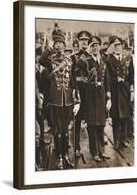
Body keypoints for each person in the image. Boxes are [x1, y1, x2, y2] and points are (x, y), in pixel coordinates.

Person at [40, 28, 80, 170]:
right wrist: (49, 46)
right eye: (56, 43)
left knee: (65, 130)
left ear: (64, 45)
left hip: (68, 100)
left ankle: (66, 155)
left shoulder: (70, 60)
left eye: (60, 43)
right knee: (57, 130)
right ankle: (60, 157)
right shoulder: (50, 60)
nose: (59, 46)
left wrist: (77, 99)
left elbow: (73, 79)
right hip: (55, 100)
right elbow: (42, 59)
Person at [78, 36, 111, 162]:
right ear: (89, 48)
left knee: (101, 125)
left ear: (99, 47)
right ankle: (94, 152)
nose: (95, 47)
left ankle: (102, 151)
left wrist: (109, 98)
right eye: (92, 45)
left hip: (101, 96)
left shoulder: (103, 63)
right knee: (92, 125)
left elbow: (107, 81)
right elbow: (79, 69)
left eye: (97, 45)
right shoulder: (85, 61)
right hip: (90, 96)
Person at [105, 36, 134, 149]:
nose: (117, 47)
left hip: (125, 91)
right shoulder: (108, 60)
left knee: (126, 116)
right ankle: (116, 140)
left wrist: (131, 90)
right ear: (112, 47)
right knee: (116, 116)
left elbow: (131, 76)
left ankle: (123, 138)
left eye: (119, 45)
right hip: (115, 91)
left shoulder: (128, 58)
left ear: (122, 46)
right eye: (114, 45)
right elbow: (106, 77)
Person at [71, 30, 92, 157]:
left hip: (90, 92)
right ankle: (77, 147)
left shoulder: (93, 56)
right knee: (77, 121)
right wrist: (75, 90)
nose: (84, 41)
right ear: (78, 42)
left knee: (91, 118)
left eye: (86, 40)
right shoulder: (74, 57)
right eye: (82, 40)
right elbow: (73, 75)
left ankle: (94, 145)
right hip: (79, 91)